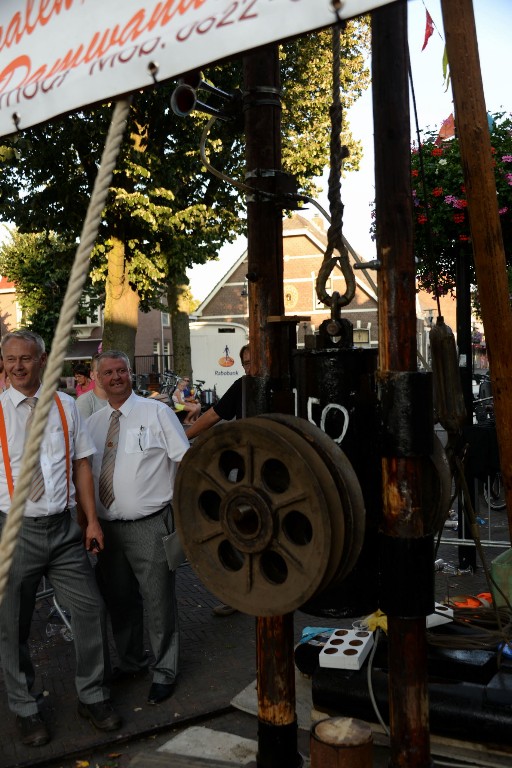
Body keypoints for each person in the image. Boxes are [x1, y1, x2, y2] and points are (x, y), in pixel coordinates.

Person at [0, 330, 121, 748]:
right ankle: (25, 707)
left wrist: (90, 521)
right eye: (10, 359)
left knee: (90, 610)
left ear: (43, 360)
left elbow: (83, 466)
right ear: (3, 362)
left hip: (65, 529)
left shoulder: (65, 406)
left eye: (26, 359)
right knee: (12, 625)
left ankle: (93, 696)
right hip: (15, 532)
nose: (18, 366)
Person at [87, 350, 189, 705]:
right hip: (108, 531)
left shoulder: (157, 412)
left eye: (121, 371)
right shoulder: (94, 425)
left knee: (159, 602)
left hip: (150, 527)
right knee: (120, 601)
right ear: (97, 379)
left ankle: (164, 671)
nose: (115, 377)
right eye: (108, 372)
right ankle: (131, 662)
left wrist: (181, 515)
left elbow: (185, 460)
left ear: (131, 374)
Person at [185, 344, 250, 617]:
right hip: (248, 468)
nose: (250, 367)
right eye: (245, 362)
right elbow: (213, 415)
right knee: (239, 527)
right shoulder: (242, 386)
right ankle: (239, 593)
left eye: (254, 360)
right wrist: (182, 437)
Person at [76, 355, 108, 419]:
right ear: (92, 375)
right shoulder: (83, 402)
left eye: (109, 371)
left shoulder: (122, 399)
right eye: (100, 371)